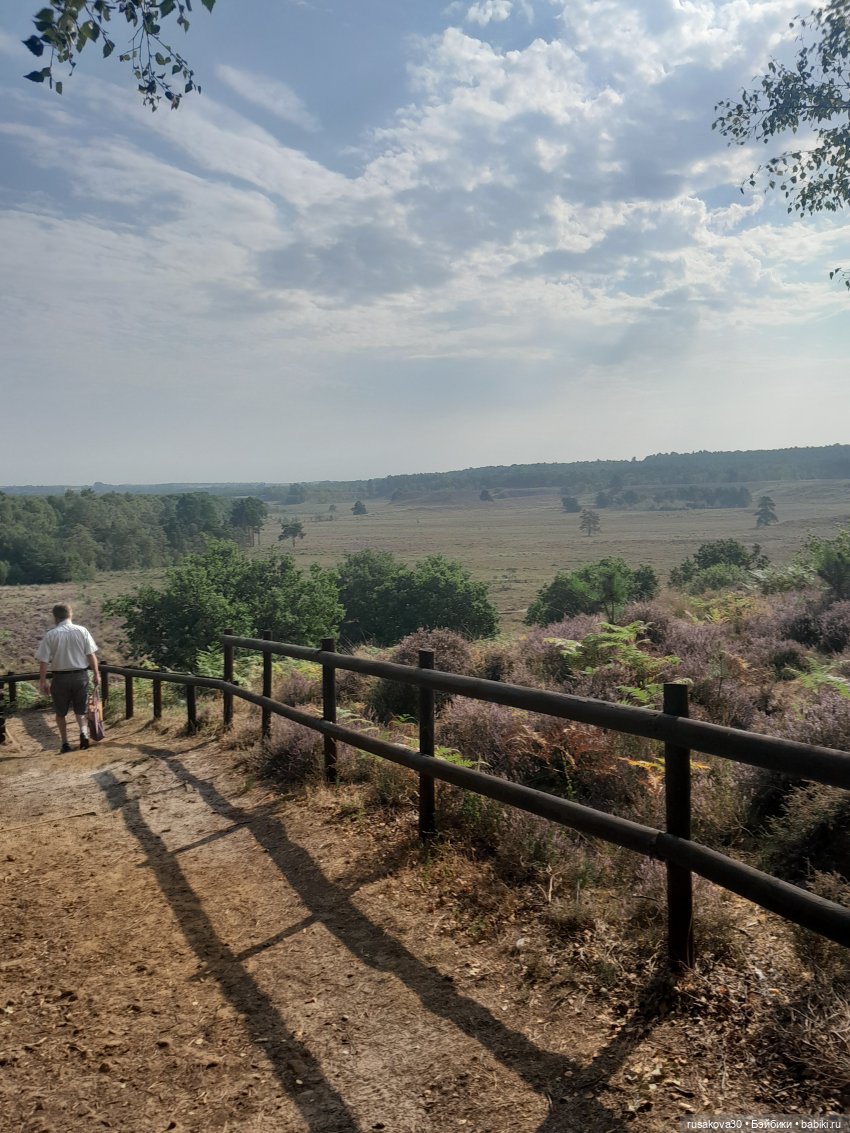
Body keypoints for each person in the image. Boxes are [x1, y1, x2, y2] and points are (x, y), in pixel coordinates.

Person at [36, 604, 100, 753]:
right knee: (81, 709)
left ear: (55, 617)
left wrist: (43, 681)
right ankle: (83, 732)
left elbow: (44, 661)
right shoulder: (82, 631)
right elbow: (91, 654)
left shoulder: (51, 635)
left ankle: (65, 743)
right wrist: (96, 673)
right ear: (70, 615)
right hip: (80, 676)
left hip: (60, 678)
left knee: (60, 712)